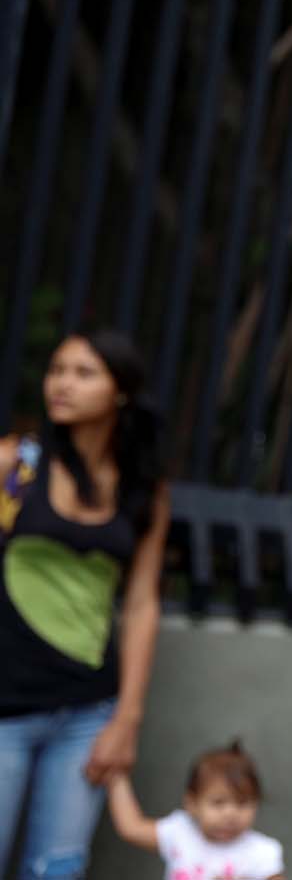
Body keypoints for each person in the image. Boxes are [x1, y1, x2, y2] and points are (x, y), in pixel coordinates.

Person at [0, 330, 169, 879]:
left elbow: (142, 604)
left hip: (87, 715)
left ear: (120, 391)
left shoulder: (144, 488)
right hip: (5, 705)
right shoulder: (13, 463)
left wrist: (127, 719)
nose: (62, 384)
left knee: (57, 871)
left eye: (83, 372)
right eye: (56, 370)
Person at [105, 740, 285, 880]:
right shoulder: (180, 832)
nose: (230, 814)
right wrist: (116, 778)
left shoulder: (262, 852)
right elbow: (131, 828)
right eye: (218, 803)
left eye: (242, 803)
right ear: (192, 804)